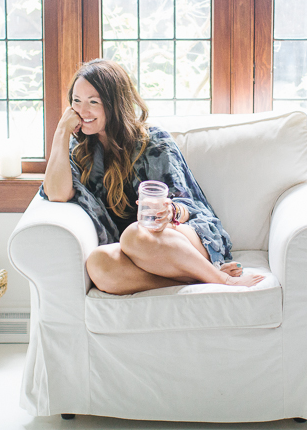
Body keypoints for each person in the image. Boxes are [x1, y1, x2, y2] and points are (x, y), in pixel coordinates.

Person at [41, 59, 264, 295]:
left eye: (93, 102)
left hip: (180, 235)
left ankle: (223, 280)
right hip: (136, 253)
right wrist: (61, 131)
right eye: (76, 101)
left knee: (136, 234)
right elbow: (57, 193)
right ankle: (197, 280)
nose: (82, 111)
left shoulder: (153, 142)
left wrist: (171, 211)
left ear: (114, 104)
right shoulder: (80, 151)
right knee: (98, 262)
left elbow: (190, 205)